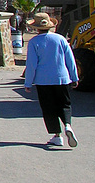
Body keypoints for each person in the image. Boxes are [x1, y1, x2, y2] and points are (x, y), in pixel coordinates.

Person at [24, 11, 79, 148]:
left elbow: (31, 64)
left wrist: (28, 82)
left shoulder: (34, 42)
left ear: (36, 28)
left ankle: (57, 135)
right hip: (62, 78)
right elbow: (70, 60)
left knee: (49, 108)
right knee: (65, 104)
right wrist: (74, 77)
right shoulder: (60, 39)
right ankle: (67, 125)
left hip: (43, 81)